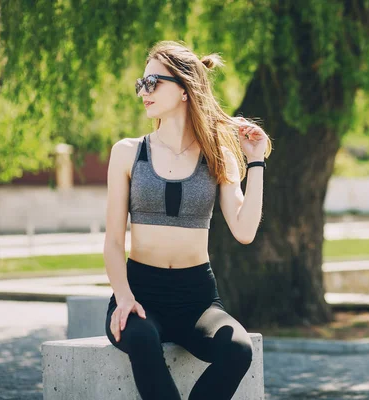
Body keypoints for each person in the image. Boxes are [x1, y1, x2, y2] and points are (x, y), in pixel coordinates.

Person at [103, 40, 272, 400]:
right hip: (140, 294)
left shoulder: (218, 155)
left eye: (153, 83)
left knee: (239, 349)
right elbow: (115, 241)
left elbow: (243, 231)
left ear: (183, 89)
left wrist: (255, 162)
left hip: (197, 298)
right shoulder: (127, 153)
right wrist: (123, 297)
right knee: (142, 339)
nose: (142, 92)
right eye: (140, 83)